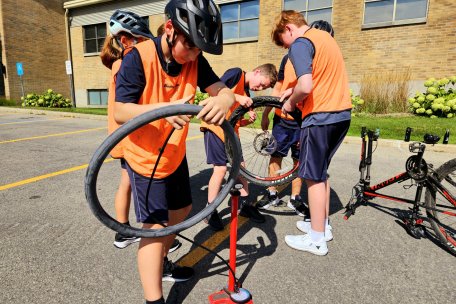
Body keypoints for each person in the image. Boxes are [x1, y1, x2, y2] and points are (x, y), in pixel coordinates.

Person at [114, 1, 235, 303]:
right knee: (154, 228)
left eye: (199, 49)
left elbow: (223, 89)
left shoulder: (195, 59)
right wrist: (161, 111)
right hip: (145, 158)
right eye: (191, 46)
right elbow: (119, 109)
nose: (195, 54)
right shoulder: (137, 58)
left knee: (181, 212)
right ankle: (153, 299)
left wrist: (224, 100)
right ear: (170, 29)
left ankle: (163, 262)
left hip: (174, 153)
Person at [100, 10, 182, 253]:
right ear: (126, 41)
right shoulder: (125, 63)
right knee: (128, 183)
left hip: (124, 134)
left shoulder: (120, 62)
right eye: (143, 41)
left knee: (125, 181)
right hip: (128, 136)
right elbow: (127, 107)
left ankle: (123, 230)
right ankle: (129, 232)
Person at [271, 11, 352, 256]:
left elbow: (306, 86)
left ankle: (316, 239)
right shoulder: (325, 38)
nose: (286, 47)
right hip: (341, 114)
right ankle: (322, 226)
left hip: (320, 117)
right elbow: (319, 76)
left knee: (312, 177)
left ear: (288, 29)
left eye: (283, 41)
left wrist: (291, 101)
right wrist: (292, 89)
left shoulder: (300, 43)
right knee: (321, 172)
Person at [258, 20, 335, 216]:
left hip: (306, 120)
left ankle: (295, 198)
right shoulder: (290, 57)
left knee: (299, 160)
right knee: (276, 155)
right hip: (283, 118)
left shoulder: (325, 61)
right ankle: (272, 193)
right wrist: (267, 112)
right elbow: (278, 87)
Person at [201, 64, 277, 230]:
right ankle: (209, 210)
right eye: (262, 84)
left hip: (230, 133)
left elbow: (233, 118)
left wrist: (245, 120)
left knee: (242, 169)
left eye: (264, 88)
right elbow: (215, 91)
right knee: (220, 169)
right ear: (257, 71)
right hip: (214, 127)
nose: (260, 88)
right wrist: (237, 97)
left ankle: (245, 205)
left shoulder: (247, 92)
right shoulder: (235, 74)